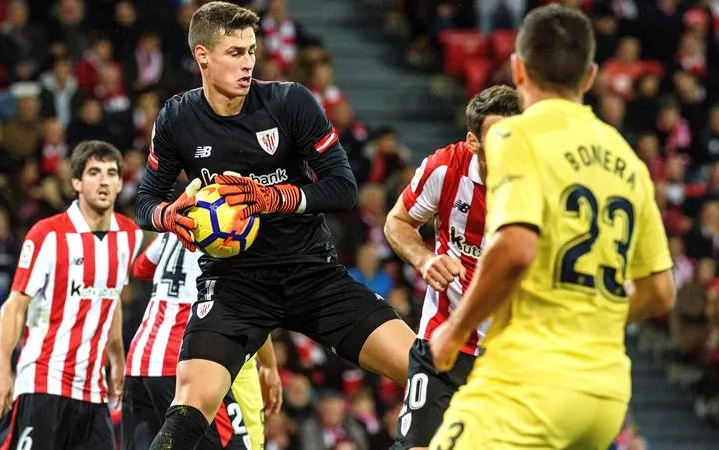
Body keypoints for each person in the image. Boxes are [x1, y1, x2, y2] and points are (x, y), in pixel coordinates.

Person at [134, 2, 416, 448]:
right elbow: (144, 199)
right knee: (188, 404)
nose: (247, 63)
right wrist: (165, 217)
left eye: (251, 51)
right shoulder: (177, 118)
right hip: (234, 285)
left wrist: (274, 198)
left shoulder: (290, 102)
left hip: (311, 273)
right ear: (202, 56)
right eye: (234, 52)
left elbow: (344, 187)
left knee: (423, 369)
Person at [428, 5, 676, 449]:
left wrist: (455, 329)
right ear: (589, 76)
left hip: (531, 381)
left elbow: (515, 248)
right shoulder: (628, 161)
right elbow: (660, 290)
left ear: (518, 69)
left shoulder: (515, 136)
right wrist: (590, 316)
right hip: (605, 393)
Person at [0, 140, 143, 450]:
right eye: (94, 172)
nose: (104, 180)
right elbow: (14, 305)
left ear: (121, 182)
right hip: (44, 381)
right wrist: (1, 369)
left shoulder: (129, 235)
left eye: (111, 173)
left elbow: (112, 296)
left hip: (93, 391)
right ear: (76, 182)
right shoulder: (48, 234)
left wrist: (117, 357)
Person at [384, 85, 521, 450]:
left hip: (513, 354)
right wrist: (425, 259)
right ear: (473, 142)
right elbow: (397, 222)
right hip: (443, 343)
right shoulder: (446, 169)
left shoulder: (543, 181)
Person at [123, 231, 281, 450]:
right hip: (188, 365)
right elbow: (249, 306)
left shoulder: (176, 223)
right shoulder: (233, 231)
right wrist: (270, 365)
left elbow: (141, 267)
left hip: (140, 362)